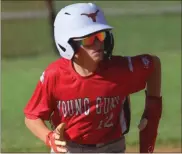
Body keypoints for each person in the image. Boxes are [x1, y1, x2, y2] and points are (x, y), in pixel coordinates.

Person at [24, 2, 162, 153]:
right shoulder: (55, 75)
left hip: (111, 147)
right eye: (88, 39)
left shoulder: (120, 70)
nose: (98, 43)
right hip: (69, 148)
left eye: (100, 36)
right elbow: (32, 117)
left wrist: (152, 109)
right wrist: (49, 137)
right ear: (68, 44)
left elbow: (153, 64)